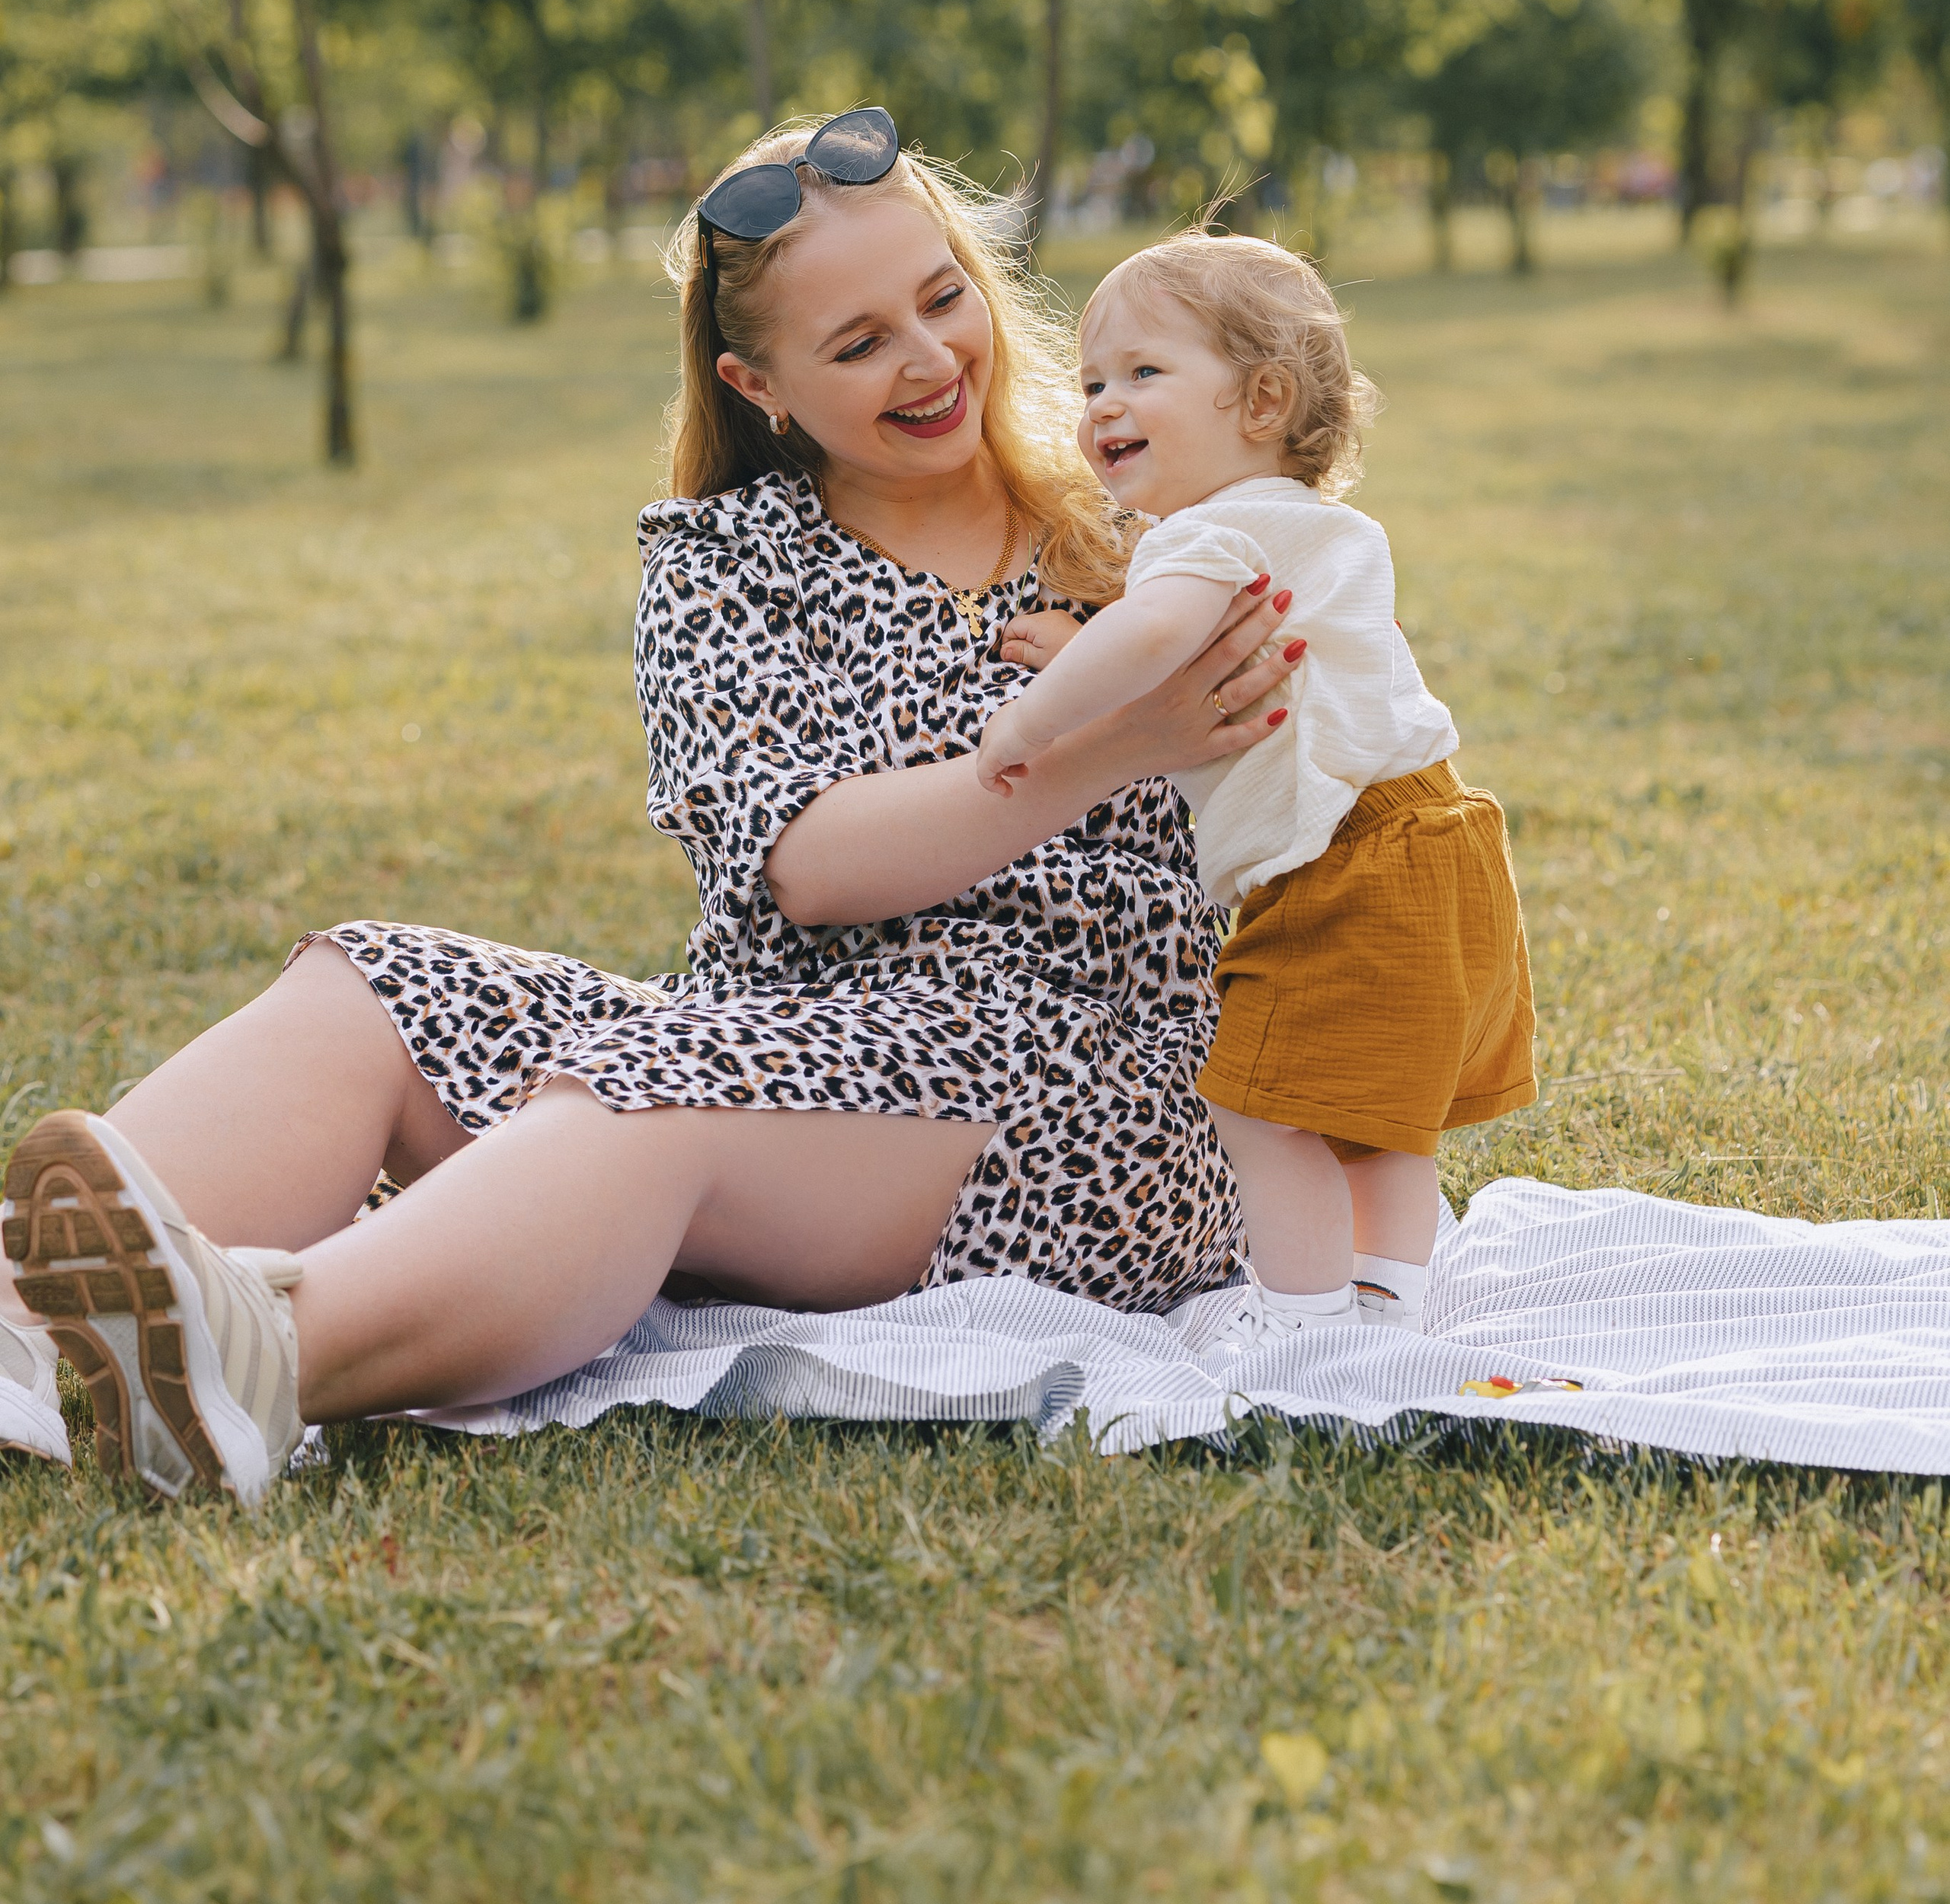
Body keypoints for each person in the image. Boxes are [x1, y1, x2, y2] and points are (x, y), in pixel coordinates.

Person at [0, 114, 1294, 1500]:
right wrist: (1097, 751)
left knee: (640, 1093)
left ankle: (275, 1357)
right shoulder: (719, 565)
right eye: (857, 344)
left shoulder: (1155, 525)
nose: (929, 361)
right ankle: (16, 1332)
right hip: (781, 1037)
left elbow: (1351, 787)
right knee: (369, 982)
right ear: (761, 382)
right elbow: (805, 864)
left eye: (941, 296)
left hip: (1100, 1102)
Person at [977, 232, 1536, 1352]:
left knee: (1255, 1102)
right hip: (1436, 836)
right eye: (1091, 382)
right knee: (1383, 1124)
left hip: (1345, 863)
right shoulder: (1291, 527)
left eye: (1142, 372)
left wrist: (1031, 720)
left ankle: (1301, 1327)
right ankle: (1385, 1304)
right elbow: (1180, 647)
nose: (1101, 406)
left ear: (1262, 399)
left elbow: (1159, 634)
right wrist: (1078, 646)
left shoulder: (1206, 531)